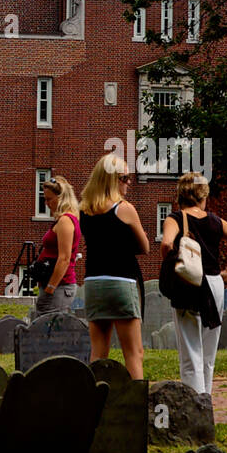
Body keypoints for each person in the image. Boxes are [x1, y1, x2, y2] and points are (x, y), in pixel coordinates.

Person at [160, 173, 227, 396]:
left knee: (190, 352)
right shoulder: (215, 221)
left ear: (180, 195)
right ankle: (206, 399)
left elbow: (166, 244)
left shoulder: (175, 218)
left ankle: (196, 404)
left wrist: (172, 264)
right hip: (214, 283)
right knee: (208, 354)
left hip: (189, 283)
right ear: (203, 197)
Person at [79, 154, 149, 379]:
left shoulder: (84, 210)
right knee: (134, 353)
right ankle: (136, 397)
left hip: (93, 282)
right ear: (111, 179)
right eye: (124, 178)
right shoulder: (124, 208)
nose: (129, 183)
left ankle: (95, 397)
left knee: (98, 353)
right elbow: (145, 247)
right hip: (121, 281)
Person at [35, 176, 81, 316]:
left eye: (49, 199)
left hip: (59, 287)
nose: (46, 203)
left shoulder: (65, 221)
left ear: (61, 198)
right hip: (55, 286)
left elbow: (64, 258)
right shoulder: (62, 220)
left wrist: (50, 288)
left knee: (49, 326)